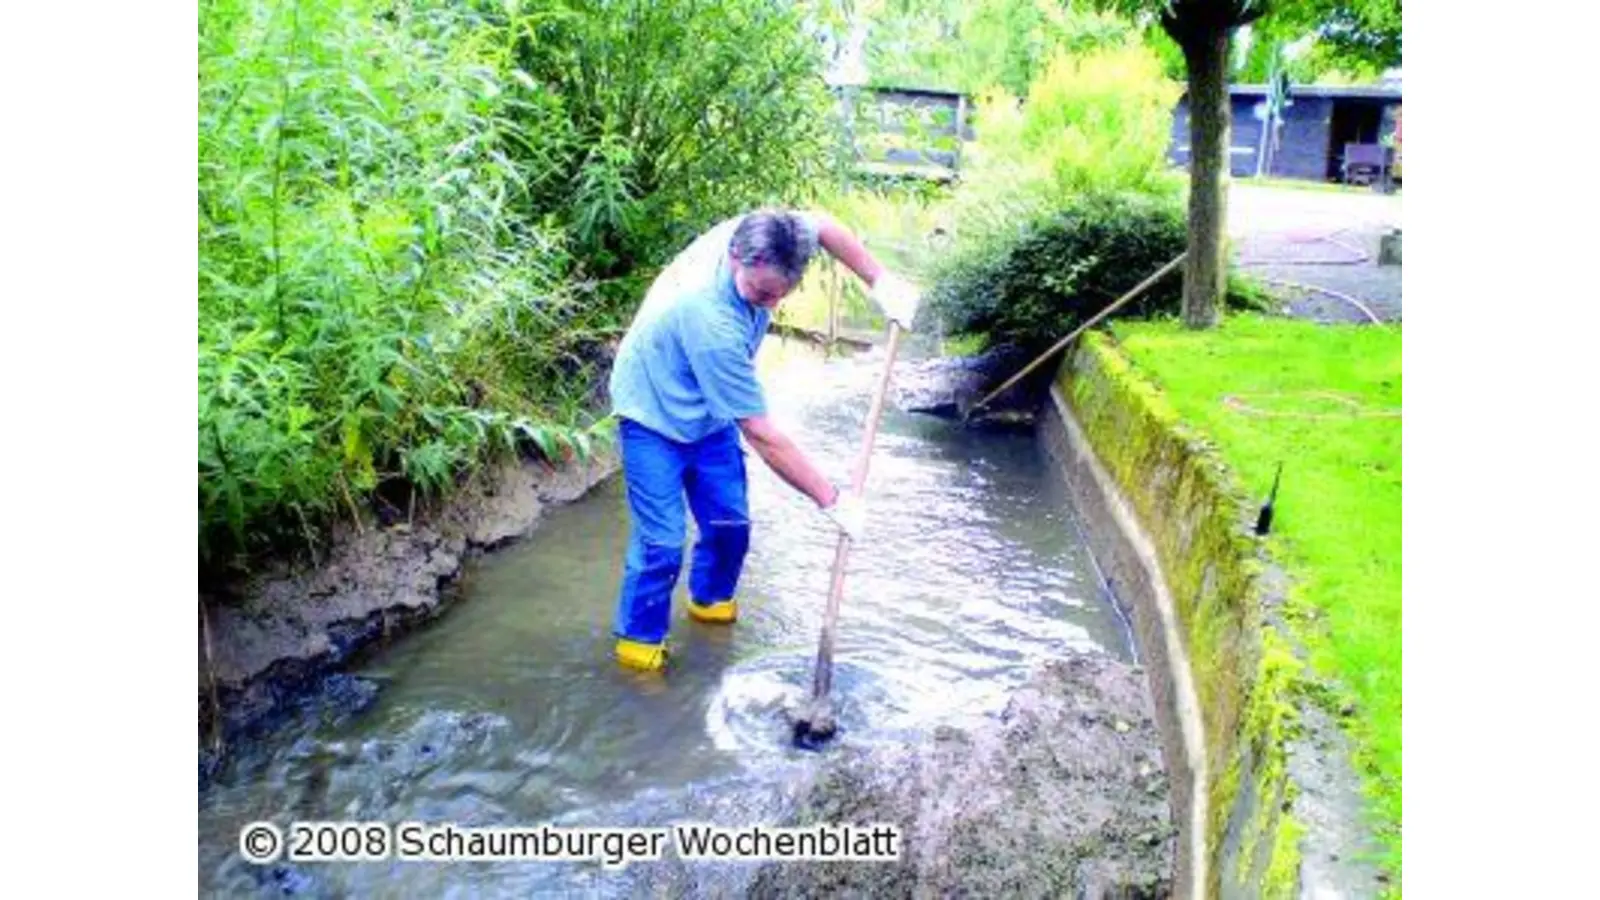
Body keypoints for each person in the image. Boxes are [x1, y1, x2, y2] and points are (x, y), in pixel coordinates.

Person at [604, 207, 921, 672]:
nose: (770, 305)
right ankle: (639, 649)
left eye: (781, 295)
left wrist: (880, 281)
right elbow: (761, 434)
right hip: (650, 411)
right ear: (736, 256)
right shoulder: (710, 320)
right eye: (760, 293)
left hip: (710, 413)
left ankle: (710, 607)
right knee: (662, 544)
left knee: (730, 524)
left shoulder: (776, 235)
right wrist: (831, 500)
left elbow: (823, 226)